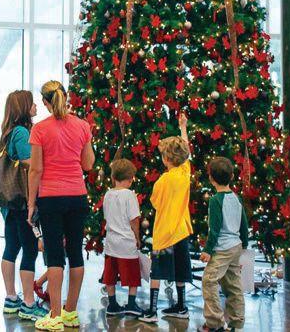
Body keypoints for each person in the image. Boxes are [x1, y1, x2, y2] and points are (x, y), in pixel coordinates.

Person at [28, 81, 95, 332]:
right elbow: (88, 164)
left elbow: (36, 170)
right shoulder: (82, 126)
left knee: (55, 256)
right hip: (77, 196)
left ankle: (54, 316)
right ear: (65, 98)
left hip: (51, 198)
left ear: (46, 103)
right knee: (75, 253)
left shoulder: (40, 129)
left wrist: (31, 204)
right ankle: (70, 313)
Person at [139, 114, 192, 324]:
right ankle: (182, 306)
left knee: (157, 272)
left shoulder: (163, 181)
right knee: (181, 269)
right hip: (181, 231)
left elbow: (155, 202)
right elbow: (187, 151)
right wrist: (183, 128)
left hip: (164, 233)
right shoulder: (185, 173)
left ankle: (152, 311)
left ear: (166, 159)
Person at [0, 90, 47, 321]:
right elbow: (29, 162)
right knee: (29, 250)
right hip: (21, 202)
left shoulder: (9, 131)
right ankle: (28, 303)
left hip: (10, 203)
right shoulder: (21, 132)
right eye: (32, 103)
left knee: (11, 248)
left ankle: (11, 298)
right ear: (23, 107)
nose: (36, 106)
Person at [197, 157, 248, 332]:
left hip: (223, 249)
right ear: (232, 176)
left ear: (211, 178)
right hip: (236, 246)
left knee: (209, 280)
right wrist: (244, 243)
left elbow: (215, 228)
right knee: (233, 285)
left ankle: (214, 323)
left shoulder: (215, 200)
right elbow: (243, 223)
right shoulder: (236, 198)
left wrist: (207, 250)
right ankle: (237, 323)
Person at [102, 159, 142, 317]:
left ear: (113, 177)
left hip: (111, 242)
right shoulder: (129, 195)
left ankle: (112, 304)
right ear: (130, 178)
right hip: (126, 242)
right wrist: (137, 237)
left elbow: (106, 216)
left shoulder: (108, 194)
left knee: (110, 274)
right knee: (132, 274)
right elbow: (134, 220)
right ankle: (131, 304)